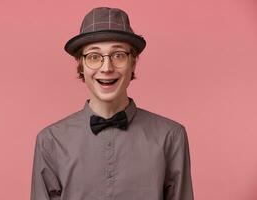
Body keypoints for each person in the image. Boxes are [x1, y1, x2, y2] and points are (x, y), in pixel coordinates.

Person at [30, 7, 194, 200]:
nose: (106, 68)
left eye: (118, 55)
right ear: (81, 66)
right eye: (93, 57)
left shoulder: (171, 137)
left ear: (133, 63)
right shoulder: (50, 141)